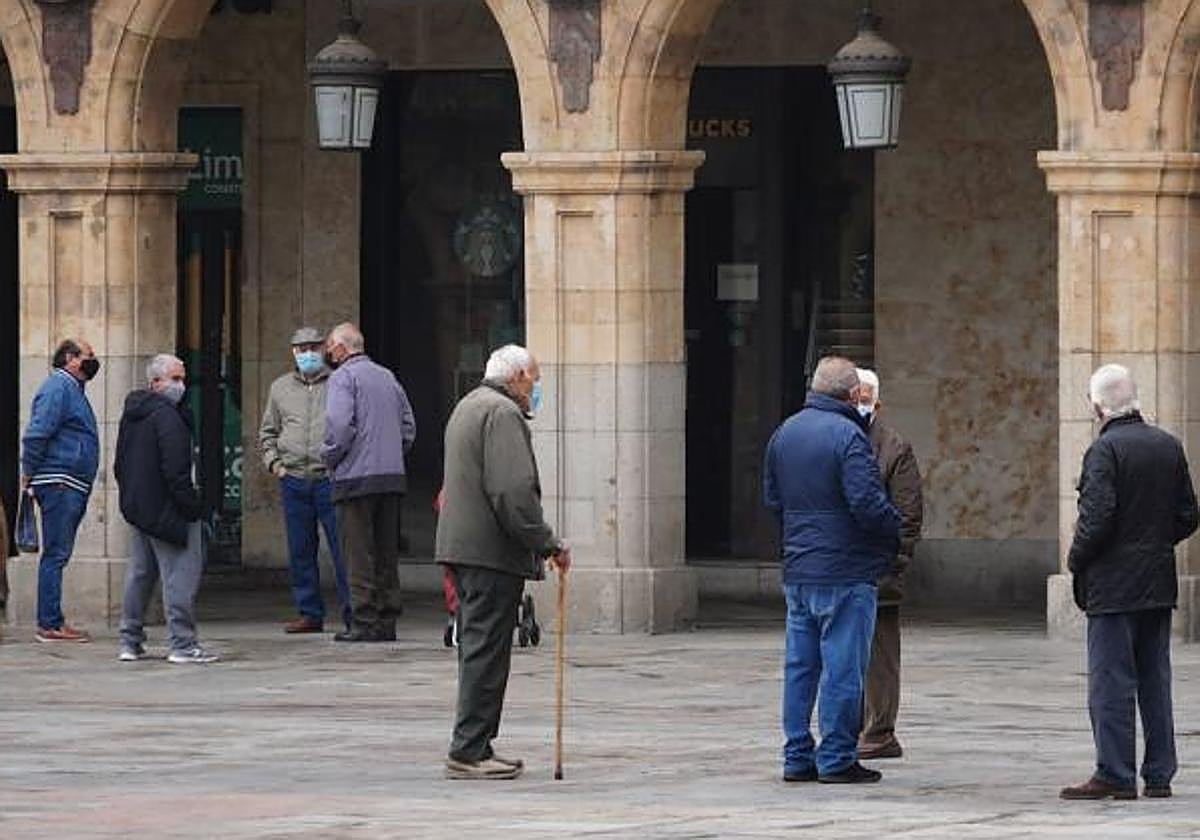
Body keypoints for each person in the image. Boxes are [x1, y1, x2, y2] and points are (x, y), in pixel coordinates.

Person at [1060, 364, 1198, 801]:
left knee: (1112, 680)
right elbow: (1188, 515)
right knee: (1154, 678)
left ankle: (1115, 772)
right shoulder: (1168, 445)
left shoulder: (1105, 450)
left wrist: (1076, 560)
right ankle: (1159, 773)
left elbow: (1096, 518)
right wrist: (1155, 543)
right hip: (1157, 581)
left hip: (1113, 586)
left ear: (1098, 407)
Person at [763, 355, 900, 785]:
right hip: (845, 568)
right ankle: (838, 756)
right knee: (843, 665)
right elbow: (866, 502)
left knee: (800, 666)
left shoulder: (785, 433)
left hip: (800, 568)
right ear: (854, 393)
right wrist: (891, 532)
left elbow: (772, 499)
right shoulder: (849, 436)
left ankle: (797, 755)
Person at [437, 344, 569, 780]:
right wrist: (547, 542)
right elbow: (512, 492)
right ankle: (469, 749)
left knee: (479, 648)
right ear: (515, 377)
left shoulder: (469, 405)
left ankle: (475, 743)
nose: (536, 387)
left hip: (466, 547)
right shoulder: (502, 413)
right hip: (488, 553)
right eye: (534, 378)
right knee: (486, 652)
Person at [114, 354, 218, 664]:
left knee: (140, 575)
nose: (181, 385)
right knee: (180, 578)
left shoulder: (133, 414)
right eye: (175, 379)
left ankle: (129, 641)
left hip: (141, 509)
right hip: (170, 510)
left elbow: (120, 464)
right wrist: (192, 507)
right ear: (155, 382)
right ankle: (183, 645)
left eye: (183, 378)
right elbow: (176, 470)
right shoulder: (168, 417)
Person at [321, 322, 416, 642]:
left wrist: (329, 457)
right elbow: (408, 427)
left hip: (355, 478)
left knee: (359, 552)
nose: (327, 352)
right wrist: (391, 453)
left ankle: (363, 620)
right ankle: (388, 619)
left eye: (330, 346)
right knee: (386, 551)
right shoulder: (387, 376)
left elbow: (338, 427)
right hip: (391, 478)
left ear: (342, 348)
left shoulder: (342, 378)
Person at [260, 327, 352, 634]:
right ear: (293, 352)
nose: (307, 354)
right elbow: (268, 432)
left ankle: (353, 611)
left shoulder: (338, 382)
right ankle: (309, 612)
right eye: (301, 349)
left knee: (342, 550)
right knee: (300, 550)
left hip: (329, 478)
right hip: (294, 478)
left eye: (313, 347)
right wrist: (276, 465)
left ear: (324, 349)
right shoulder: (280, 388)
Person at [854, 368, 924, 760]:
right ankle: (852, 725)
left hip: (880, 570)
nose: (860, 404)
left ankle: (879, 730)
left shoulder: (893, 447)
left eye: (866, 398)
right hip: (847, 571)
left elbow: (908, 513)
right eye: (855, 397)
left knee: (879, 654)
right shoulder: (841, 440)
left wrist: (894, 563)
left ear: (876, 403)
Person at [21, 338, 101, 642]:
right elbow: (37, 433)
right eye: (88, 356)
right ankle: (50, 624)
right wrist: (28, 472)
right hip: (60, 481)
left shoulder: (72, 389)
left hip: (67, 481)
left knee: (58, 554)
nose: (93, 361)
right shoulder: (59, 387)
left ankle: (51, 621)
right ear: (70, 358)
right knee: (55, 554)